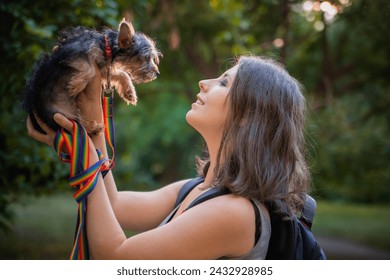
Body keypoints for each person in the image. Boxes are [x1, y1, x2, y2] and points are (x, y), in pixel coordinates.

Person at [27, 55, 309, 260]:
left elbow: (115, 258)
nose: (204, 82)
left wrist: (83, 156)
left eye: (224, 83)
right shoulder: (196, 189)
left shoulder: (235, 213)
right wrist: (90, 121)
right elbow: (111, 206)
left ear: (249, 116)